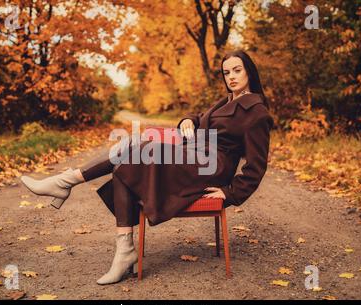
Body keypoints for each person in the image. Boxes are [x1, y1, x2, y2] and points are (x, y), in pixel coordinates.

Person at [20, 50, 274, 285]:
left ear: (249, 71)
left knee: (141, 145)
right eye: (226, 72)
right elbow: (201, 119)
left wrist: (230, 194)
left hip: (210, 166)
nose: (231, 77)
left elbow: (256, 165)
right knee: (126, 164)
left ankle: (65, 182)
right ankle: (124, 251)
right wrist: (188, 120)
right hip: (193, 156)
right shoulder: (226, 100)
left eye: (237, 70)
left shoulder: (256, 111)